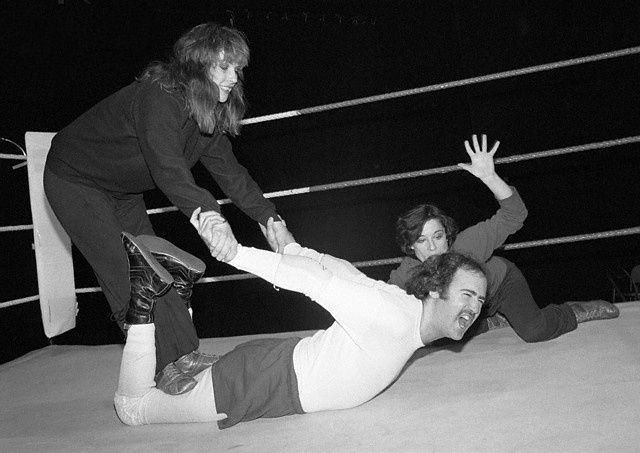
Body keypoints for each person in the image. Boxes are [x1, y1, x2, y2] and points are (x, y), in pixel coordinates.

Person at [43, 22, 295, 395]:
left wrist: (271, 219)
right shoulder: (159, 97)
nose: (233, 77)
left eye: (237, 68)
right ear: (197, 66)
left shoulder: (204, 112)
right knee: (128, 270)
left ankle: (182, 354)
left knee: (157, 264)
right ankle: (159, 367)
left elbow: (231, 173)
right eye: (223, 67)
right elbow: (166, 168)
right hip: (74, 179)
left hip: (121, 190)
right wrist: (210, 216)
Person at [113, 216, 488, 428]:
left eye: (481, 300)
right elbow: (315, 283)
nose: (474, 308)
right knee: (133, 409)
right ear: (436, 290)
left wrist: (293, 247)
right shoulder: (391, 317)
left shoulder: (403, 306)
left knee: (168, 379)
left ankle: (177, 286)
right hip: (263, 383)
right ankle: (145, 294)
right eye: (467, 294)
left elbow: (344, 273)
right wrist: (235, 253)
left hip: (274, 366)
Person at [389, 134, 619, 343]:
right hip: (471, 306)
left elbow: (514, 215)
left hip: (501, 286)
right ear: (410, 246)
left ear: (447, 236)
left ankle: (573, 311)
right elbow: (380, 300)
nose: (433, 247)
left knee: (534, 331)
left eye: (438, 236)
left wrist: (490, 177)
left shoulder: (466, 246)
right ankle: (489, 322)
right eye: (422, 240)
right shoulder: (406, 274)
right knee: (435, 334)